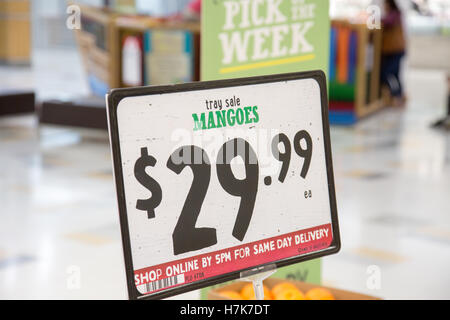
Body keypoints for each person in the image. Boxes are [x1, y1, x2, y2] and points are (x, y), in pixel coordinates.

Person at [380, 0, 407, 107]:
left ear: (389, 4)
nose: (384, 6)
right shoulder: (394, 14)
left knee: (386, 73)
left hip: (395, 50)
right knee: (395, 74)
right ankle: (399, 96)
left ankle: (396, 95)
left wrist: (376, 20)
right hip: (393, 50)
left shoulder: (395, 14)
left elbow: (388, 22)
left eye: (385, 4)